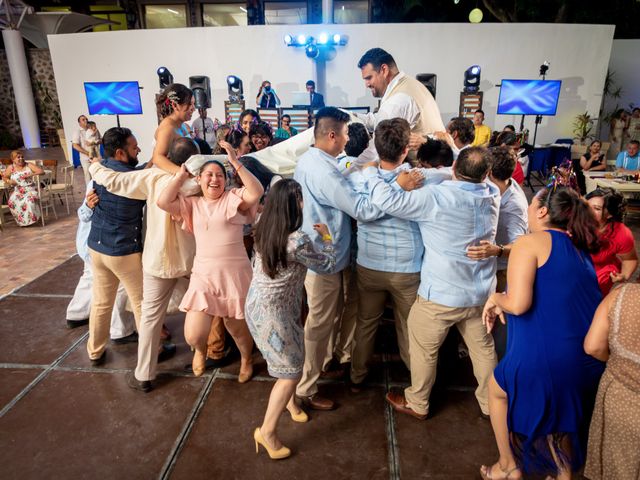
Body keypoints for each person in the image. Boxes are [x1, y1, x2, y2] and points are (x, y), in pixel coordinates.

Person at [362, 147, 500, 421]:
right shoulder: (492, 194)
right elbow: (463, 172)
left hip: (441, 293)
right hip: (480, 292)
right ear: (487, 174)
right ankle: (490, 405)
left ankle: (418, 401)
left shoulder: (437, 197)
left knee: (424, 348)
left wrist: (372, 174)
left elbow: (387, 201)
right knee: (483, 350)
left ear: (455, 167)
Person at [480, 186, 605, 480]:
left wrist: (496, 299)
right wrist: (506, 302)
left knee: (497, 390)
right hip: (585, 358)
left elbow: (519, 304)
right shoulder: (578, 248)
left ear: (542, 211)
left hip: (548, 358)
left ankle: (507, 466)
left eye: (531, 203)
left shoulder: (530, 242)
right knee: (561, 416)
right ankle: (563, 474)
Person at [88, 137, 203, 391]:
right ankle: (200, 353)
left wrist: (95, 165)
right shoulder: (200, 183)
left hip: (157, 260)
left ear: (168, 157)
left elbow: (116, 181)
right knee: (200, 308)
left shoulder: (152, 178)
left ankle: (144, 375)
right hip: (191, 260)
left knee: (150, 318)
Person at [293, 107, 383, 410]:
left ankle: (323, 364)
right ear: (332, 135)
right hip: (324, 258)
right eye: (345, 133)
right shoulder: (324, 171)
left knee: (325, 319)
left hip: (322, 251)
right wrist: (397, 191)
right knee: (318, 324)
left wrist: (357, 170)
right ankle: (304, 388)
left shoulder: (312, 159)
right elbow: (362, 209)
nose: (347, 139)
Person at [157, 141, 264, 380]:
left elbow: (256, 192)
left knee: (237, 330)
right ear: (199, 179)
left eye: (219, 175)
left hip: (235, 276)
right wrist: (180, 175)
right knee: (193, 333)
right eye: (209, 175)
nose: (214, 180)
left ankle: (246, 359)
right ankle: (200, 350)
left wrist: (235, 163)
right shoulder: (192, 204)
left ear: (225, 180)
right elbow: (163, 201)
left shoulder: (232, 198)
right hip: (204, 276)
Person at [246, 179, 336, 460]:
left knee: (293, 357)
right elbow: (326, 264)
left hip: (258, 306)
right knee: (290, 372)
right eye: (299, 199)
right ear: (293, 205)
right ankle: (267, 432)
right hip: (276, 315)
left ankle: (292, 404)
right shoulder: (298, 240)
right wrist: (328, 238)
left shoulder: (263, 226)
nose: (302, 203)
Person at [348, 119, 424, 389]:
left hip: (370, 264)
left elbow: (363, 210)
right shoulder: (419, 180)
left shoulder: (360, 179)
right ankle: (417, 385)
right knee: (409, 328)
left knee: (366, 324)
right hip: (408, 267)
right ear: (406, 150)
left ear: (376, 148)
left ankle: (357, 376)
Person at [86, 128, 146, 366]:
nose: (138, 149)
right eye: (134, 147)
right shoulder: (133, 180)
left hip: (97, 247)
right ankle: (153, 352)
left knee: (101, 302)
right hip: (123, 252)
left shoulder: (99, 171)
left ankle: (95, 351)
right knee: (142, 304)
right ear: (121, 153)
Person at [467, 146, 528, 358]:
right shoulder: (498, 187)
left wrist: (497, 250)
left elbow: (521, 246)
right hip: (490, 266)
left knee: (495, 324)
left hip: (503, 271)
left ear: (490, 172)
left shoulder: (514, 206)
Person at [65, 181, 136, 344]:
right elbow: (84, 213)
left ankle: (76, 314)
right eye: (134, 152)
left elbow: (84, 213)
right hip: (100, 245)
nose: (138, 153)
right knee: (119, 286)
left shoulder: (97, 178)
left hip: (90, 244)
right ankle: (120, 330)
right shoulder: (113, 179)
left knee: (90, 277)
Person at [584, 283, 640, 480]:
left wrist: (617, 363)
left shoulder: (621, 295)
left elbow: (592, 346)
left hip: (619, 399)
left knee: (618, 467)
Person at [355, 48, 445, 163]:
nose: (366, 84)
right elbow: (379, 119)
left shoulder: (398, 101)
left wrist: (347, 174)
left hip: (421, 173)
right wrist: (346, 115)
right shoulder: (410, 84)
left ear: (384, 70)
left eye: (369, 78)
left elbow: (376, 152)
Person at [585, 188, 638, 295]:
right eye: (586, 206)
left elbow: (630, 259)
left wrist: (624, 275)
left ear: (609, 214)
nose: (587, 211)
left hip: (598, 281)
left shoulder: (621, 233)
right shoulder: (571, 221)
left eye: (597, 208)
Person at [152, 83, 195, 174]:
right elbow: (157, 158)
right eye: (189, 104)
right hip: (171, 176)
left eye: (193, 104)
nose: (193, 108)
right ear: (175, 105)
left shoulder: (182, 125)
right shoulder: (168, 127)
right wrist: (184, 174)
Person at [2, 151, 44, 227]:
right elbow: (4, 177)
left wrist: (31, 174)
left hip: (31, 189)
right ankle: (23, 222)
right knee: (11, 202)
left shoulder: (28, 165)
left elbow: (41, 171)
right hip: (18, 190)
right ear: (13, 159)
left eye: (22, 157)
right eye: (18, 157)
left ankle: (33, 220)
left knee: (29, 201)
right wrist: (9, 181)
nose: (21, 158)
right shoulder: (11, 168)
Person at [72, 115, 93, 185]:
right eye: (83, 120)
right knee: (89, 177)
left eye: (86, 119)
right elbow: (75, 145)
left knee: (97, 176)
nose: (86, 120)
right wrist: (87, 153)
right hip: (86, 158)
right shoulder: (77, 132)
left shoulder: (92, 130)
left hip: (95, 157)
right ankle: (89, 194)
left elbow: (99, 140)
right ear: (79, 123)